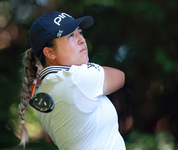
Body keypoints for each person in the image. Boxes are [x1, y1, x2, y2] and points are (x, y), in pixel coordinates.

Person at [19, 11, 126, 150]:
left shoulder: (42, 91)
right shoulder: (77, 79)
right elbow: (120, 76)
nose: (81, 39)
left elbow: (53, 139)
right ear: (49, 53)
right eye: (70, 35)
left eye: (80, 32)